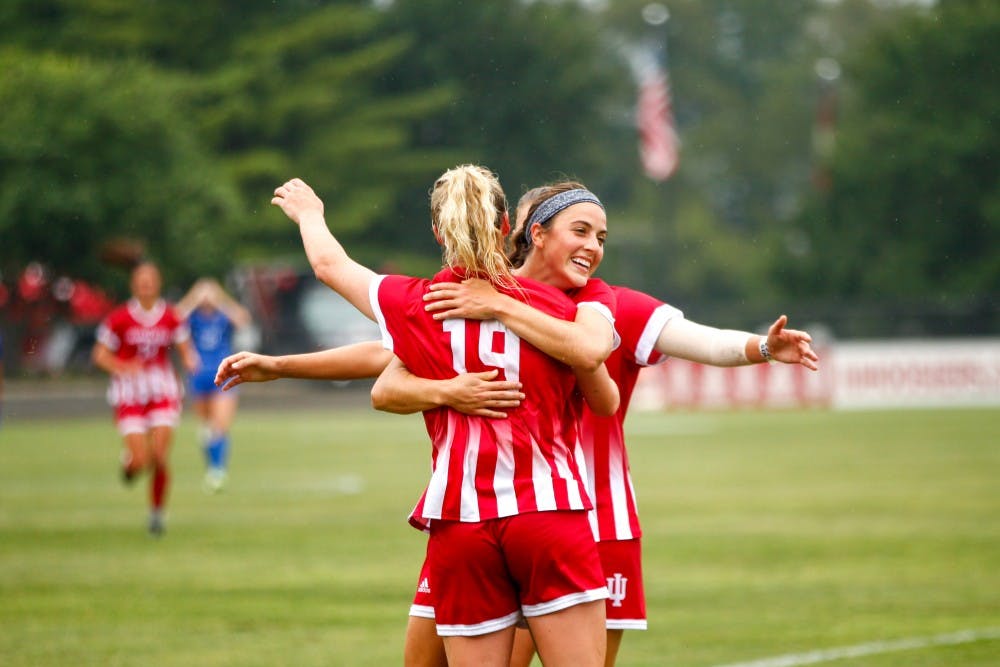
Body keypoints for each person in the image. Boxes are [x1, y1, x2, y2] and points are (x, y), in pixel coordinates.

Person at [413, 182, 820, 667]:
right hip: (477, 516)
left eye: (601, 237)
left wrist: (764, 347)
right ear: (532, 232)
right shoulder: (473, 296)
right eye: (580, 230)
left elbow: (704, 342)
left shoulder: (609, 306)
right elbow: (387, 363)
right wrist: (439, 390)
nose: (593, 246)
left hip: (589, 522)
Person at [271, 166, 618, 666]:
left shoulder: (417, 304)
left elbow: (329, 266)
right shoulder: (564, 304)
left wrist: (310, 214)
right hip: (546, 513)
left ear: (437, 231)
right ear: (508, 228)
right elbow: (593, 363)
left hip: (460, 525)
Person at [92, 261, 199, 536]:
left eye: (151, 280)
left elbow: (186, 350)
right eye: (141, 281)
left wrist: (191, 362)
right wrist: (124, 367)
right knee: (141, 461)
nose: (146, 285)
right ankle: (130, 465)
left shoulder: (172, 316)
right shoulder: (119, 318)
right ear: (133, 285)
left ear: (158, 283)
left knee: (160, 456)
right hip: (129, 393)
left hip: (162, 390)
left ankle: (156, 515)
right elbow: (100, 355)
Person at [175, 278, 252, 493]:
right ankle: (213, 468)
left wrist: (220, 299)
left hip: (223, 375)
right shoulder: (193, 318)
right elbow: (172, 319)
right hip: (199, 376)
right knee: (206, 428)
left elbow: (243, 319)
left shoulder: (222, 316)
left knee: (221, 425)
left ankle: (218, 470)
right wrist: (193, 297)